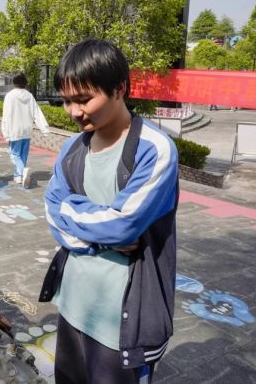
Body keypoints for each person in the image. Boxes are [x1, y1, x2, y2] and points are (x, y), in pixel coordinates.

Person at [41, 38, 179, 384]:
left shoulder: (154, 150)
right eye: (67, 100)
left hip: (121, 321)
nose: (74, 111)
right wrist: (99, 238)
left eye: (84, 99)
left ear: (119, 89)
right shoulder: (73, 147)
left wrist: (72, 212)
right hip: (74, 304)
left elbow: (123, 224)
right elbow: (49, 209)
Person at [1, 72, 49, 188]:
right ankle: (19, 176)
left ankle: (22, 171)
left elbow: (6, 115)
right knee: (23, 154)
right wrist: (44, 128)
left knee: (14, 154)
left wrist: (5, 131)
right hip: (27, 130)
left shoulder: (10, 95)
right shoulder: (29, 95)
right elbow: (36, 112)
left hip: (14, 130)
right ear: (25, 83)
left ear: (14, 82)